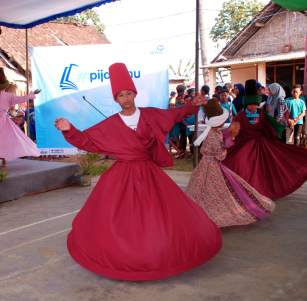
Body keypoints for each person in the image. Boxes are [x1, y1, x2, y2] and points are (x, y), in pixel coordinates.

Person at [54, 63, 222, 281]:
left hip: (148, 172)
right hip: (122, 175)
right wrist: (69, 129)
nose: (125, 98)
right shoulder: (111, 124)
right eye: (120, 95)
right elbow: (88, 140)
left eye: (129, 93)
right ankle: (120, 256)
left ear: (135, 94)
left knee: (159, 215)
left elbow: (177, 113)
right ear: (116, 99)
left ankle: (161, 253)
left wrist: (192, 104)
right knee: (116, 217)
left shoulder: (151, 115)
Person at [187, 99, 275, 227]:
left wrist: (230, 135)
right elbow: (220, 153)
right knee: (217, 190)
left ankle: (199, 209)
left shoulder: (212, 132)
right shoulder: (214, 134)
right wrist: (232, 136)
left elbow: (220, 139)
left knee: (203, 190)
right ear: (220, 121)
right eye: (223, 120)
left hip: (205, 166)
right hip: (212, 167)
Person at [222, 79, 307, 199]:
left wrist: (273, 140)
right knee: (239, 166)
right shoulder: (240, 115)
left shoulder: (261, 114)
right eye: (250, 104)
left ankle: (258, 191)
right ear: (246, 104)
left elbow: (268, 128)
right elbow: (232, 129)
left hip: (260, 144)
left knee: (263, 169)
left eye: (255, 104)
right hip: (243, 143)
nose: (252, 106)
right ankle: (242, 191)